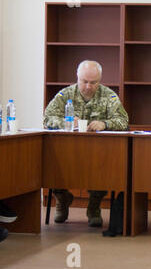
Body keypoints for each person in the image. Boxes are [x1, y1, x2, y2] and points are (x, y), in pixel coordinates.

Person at [43, 60, 129, 227]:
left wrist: (105, 124)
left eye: (93, 82)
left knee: (105, 165)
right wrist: (66, 122)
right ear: (77, 77)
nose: (88, 86)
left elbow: (123, 121)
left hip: (97, 151)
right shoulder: (65, 95)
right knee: (51, 162)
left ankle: (94, 206)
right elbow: (47, 118)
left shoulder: (108, 95)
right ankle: (62, 198)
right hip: (67, 150)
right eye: (84, 81)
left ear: (100, 80)